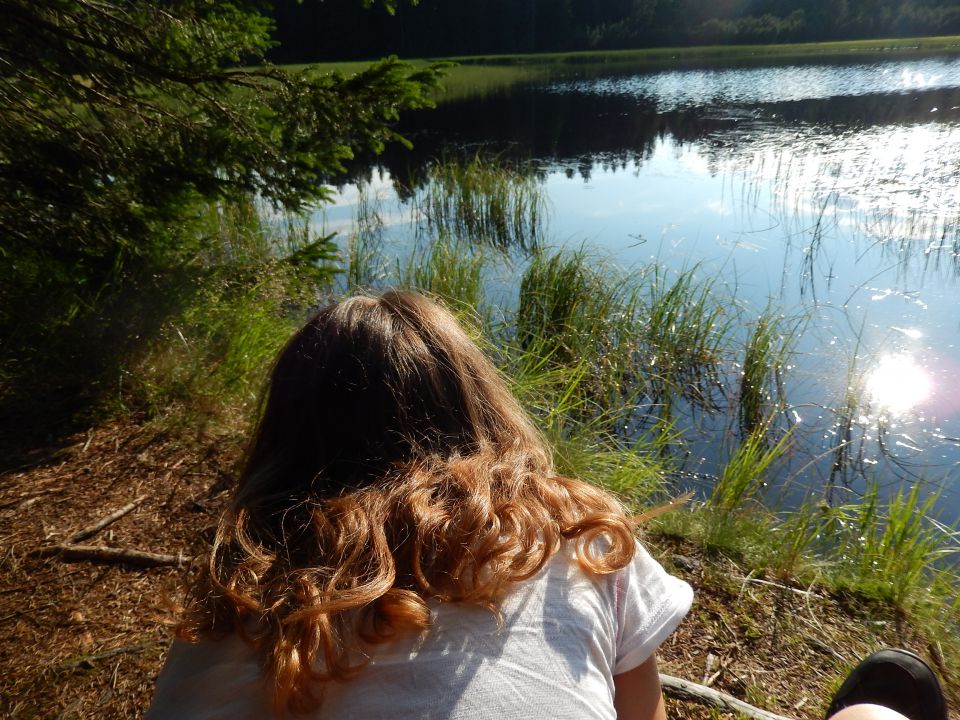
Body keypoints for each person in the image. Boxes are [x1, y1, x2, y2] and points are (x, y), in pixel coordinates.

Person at [147, 290, 694, 720]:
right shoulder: (579, 535)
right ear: (477, 402)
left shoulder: (237, 587)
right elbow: (642, 713)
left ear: (284, 441)